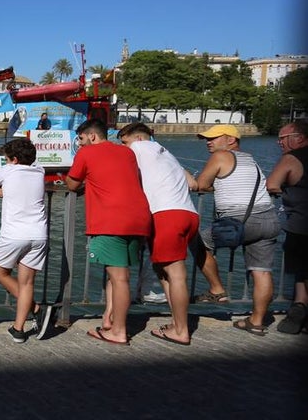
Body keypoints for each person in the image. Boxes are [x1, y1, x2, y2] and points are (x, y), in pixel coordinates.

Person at [64, 118, 151, 346]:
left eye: (81, 139)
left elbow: (72, 184)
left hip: (111, 220)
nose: (80, 144)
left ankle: (119, 331)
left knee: (119, 278)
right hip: (139, 218)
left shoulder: (86, 153)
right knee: (118, 276)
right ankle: (109, 319)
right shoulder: (127, 153)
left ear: (92, 136)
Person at [189, 124, 279, 334]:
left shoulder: (221, 156)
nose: (208, 142)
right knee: (262, 272)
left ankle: (217, 289)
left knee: (196, 240)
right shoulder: (250, 159)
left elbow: (201, 185)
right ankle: (256, 322)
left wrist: (214, 186)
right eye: (206, 139)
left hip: (240, 221)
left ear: (231, 140)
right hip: (269, 218)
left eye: (213, 138)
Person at [117, 123, 200, 345]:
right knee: (163, 270)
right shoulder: (166, 153)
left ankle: (181, 330)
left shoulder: (138, 149)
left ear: (137, 138)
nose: (123, 146)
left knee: (175, 273)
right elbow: (194, 183)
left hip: (166, 215)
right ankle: (176, 323)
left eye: (124, 141)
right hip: (189, 213)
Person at [0, 137, 52, 343]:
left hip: (14, 234)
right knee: (27, 282)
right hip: (39, 233)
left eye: (7, 158)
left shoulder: (9, 170)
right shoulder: (39, 171)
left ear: (14, 159)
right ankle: (18, 330)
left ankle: (36, 308)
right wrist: (6, 190)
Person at [267, 120, 308, 333]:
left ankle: (298, 310)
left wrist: (283, 191)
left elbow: (272, 183)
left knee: (301, 269)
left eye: (283, 138)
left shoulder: (291, 158)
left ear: (299, 138)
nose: (279, 142)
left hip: (300, 224)